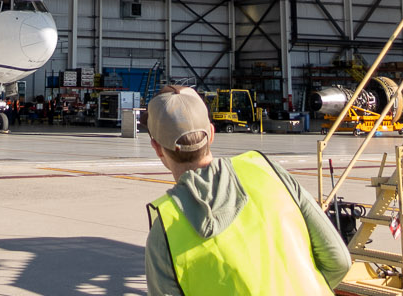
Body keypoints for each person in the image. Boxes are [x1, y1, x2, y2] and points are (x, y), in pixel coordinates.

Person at [144, 84, 350, 296]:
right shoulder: (269, 172)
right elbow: (339, 261)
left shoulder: (165, 232)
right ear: (212, 133)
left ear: (157, 147)